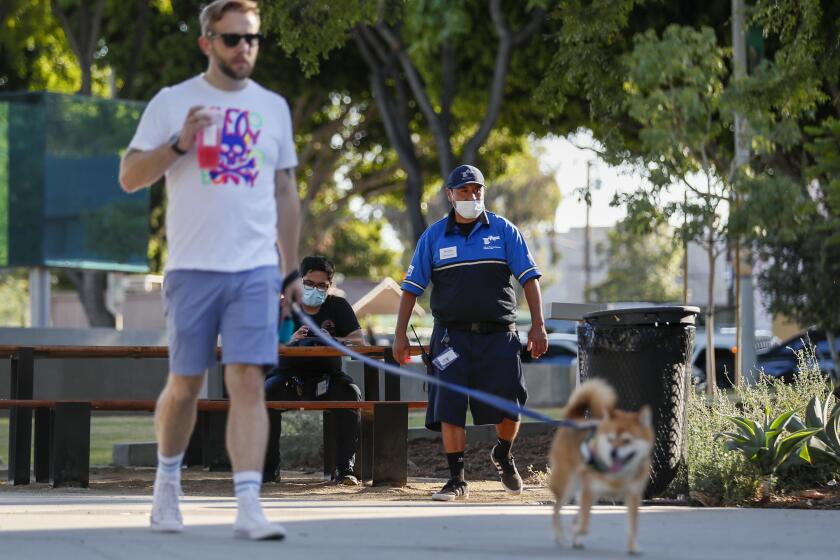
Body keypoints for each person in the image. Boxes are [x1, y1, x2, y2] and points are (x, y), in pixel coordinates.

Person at [118, 0, 301, 540]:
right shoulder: (173, 101)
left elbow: (285, 192)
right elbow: (129, 176)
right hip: (192, 269)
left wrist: (290, 271)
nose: (243, 48)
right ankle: (167, 485)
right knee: (186, 384)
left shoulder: (274, 107)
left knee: (247, 379)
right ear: (207, 43)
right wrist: (178, 144)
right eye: (231, 39)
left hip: (253, 270)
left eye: (251, 39)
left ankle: (248, 504)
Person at [392, 164, 548, 501]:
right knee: (449, 404)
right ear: (450, 195)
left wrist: (538, 325)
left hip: (499, 336)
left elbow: (530, 279)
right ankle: (456, 478)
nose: (471, 196)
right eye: (463, 190)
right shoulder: (433, 237)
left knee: (510, 405)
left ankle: (503, 454)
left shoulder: (504, 231)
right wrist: (399, 334)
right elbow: (410, 289)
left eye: (476, 189)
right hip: (451, 337)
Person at [263, 256, 365, 485]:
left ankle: (344, 470)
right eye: (309, 283)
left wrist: (333, 339)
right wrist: (289, 341)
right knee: (266, 394)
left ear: (330, 286)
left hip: (328, 378)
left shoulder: (338, 306)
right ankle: (269, 471)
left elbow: (360, 341)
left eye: (321, 285)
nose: (314, 289)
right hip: (287, 377)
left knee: (350, 394)